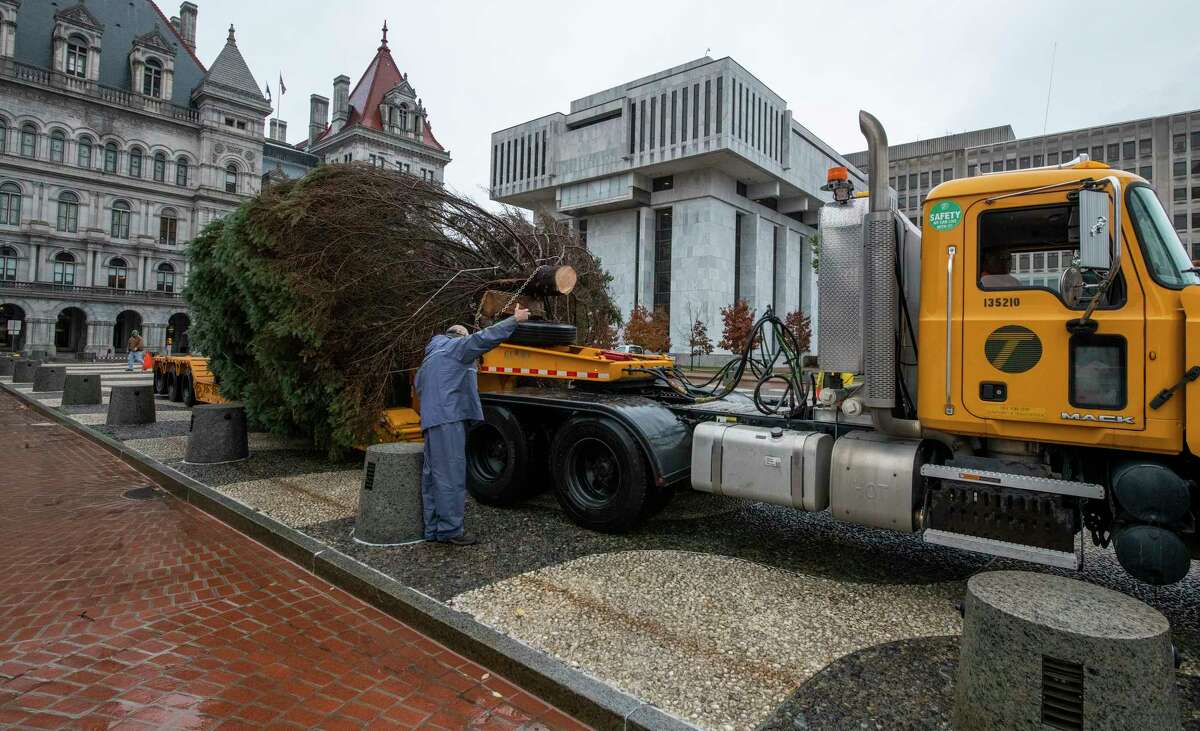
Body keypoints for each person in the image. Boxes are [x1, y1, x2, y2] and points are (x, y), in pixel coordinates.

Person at [414, 306, 530, 545]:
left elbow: (420, 389)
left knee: (432, 476)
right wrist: (514, 320)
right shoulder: (455, 347)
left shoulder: (429, 359)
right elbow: (483, 339)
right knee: (451, 475)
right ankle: (450, 531)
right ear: (459, 335)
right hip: (448, 421)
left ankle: (433, 528)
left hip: (432, 423)